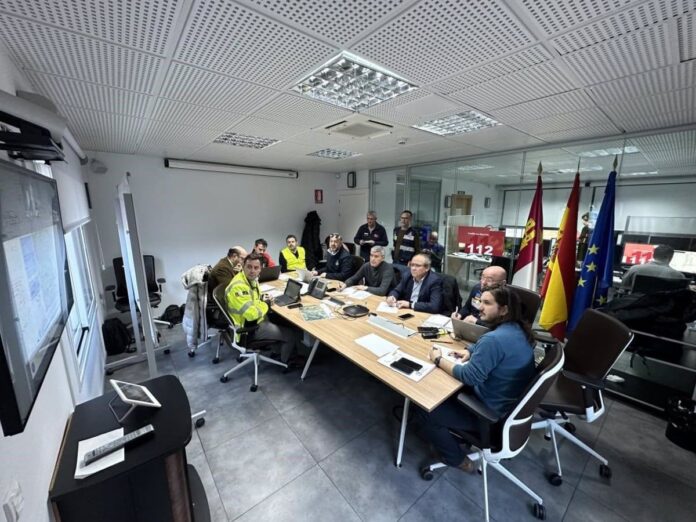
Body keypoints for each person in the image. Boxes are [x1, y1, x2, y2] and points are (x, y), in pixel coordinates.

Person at [418, 285, 536, 472]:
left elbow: (469, 376)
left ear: (504, 309)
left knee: (425, 410)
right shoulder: (516, 329)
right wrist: (470, 350)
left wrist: (438, 359)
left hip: (486, 413)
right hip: (506, 403)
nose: (480, 307)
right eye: (481, 301)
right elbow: (494, 346)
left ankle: (457, 459)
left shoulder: (494, 340)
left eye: (487, 303)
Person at [225, 253, 302, 365]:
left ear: (261, 269)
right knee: (290, 334)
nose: (252, 271)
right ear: (243, 266)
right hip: (248, 329)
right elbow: (251, 315)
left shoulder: (250, 279)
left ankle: (277, 351)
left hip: (255, 321)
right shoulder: (238, 286)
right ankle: (287, 362)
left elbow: (253, 299)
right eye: (249, 267)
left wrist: (262, 298)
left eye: (256, 268)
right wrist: (266, 304)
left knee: (285, 322)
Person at [621, 244, 686, 291]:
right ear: (670, 257)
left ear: (653, 255)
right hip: (662, 305)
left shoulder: (635, 269)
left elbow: (623, 286)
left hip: (636, 303)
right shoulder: (678, 275)